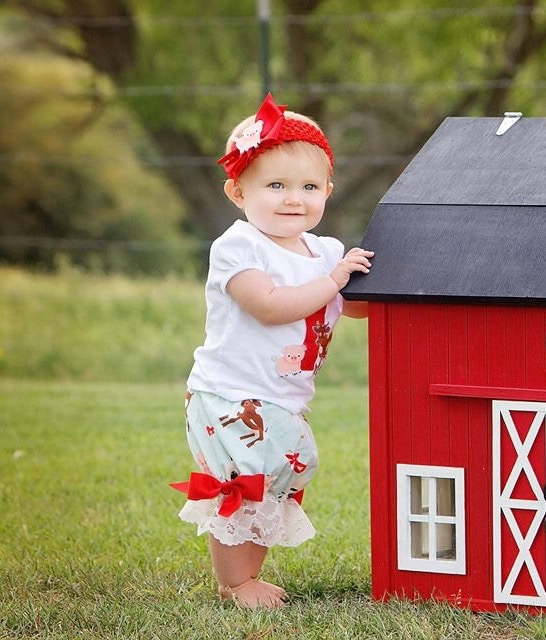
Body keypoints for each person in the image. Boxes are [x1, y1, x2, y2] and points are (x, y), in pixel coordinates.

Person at [170, 93, 373, 609]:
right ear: (238, 192)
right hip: (228, 392)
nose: (293, 198)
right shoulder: (239, 246)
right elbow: (269, 306)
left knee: (289, 467)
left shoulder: (325, 251)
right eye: (275, 185)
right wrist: (335, 280)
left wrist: (384, 290)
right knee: (252, 478)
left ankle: (245, 576)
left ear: (328, 190)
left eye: (309, 186)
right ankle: (238, 582)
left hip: (280, 395)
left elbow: (355, 308)